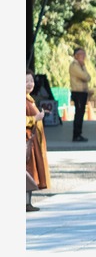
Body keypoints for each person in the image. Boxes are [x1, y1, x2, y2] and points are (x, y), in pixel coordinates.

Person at [26, 71, 51, 212]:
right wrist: (35, 119)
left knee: (30, 172)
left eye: (31, 81)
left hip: (32, 141)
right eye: (26, 81)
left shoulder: (29, 99)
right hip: (26, 141)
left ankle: (27, 203)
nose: (30, 84)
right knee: (28, 172)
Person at [69, 47, 92, 142]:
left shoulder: (81, 66)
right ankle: (76, 135)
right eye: (81, 54)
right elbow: (85, 77)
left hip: (82, 92)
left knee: (81, 113)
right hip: (78, 92)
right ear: (76, 56)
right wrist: (83, 67)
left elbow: (89, 77)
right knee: (78, 113)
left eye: (84, 54)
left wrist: (84, 66)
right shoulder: (74, 66)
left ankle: (79, 133)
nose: (83, 56)